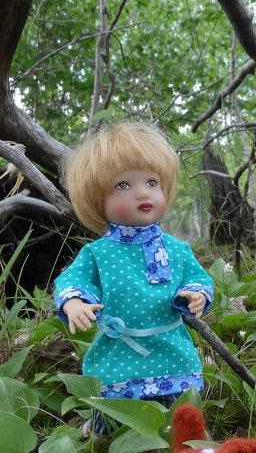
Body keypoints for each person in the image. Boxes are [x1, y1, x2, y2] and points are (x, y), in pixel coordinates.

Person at [54, 122, 213, 416]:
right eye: (123, 185)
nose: (142, 193)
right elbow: (72, 279)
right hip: (119, 352)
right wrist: (75, 302)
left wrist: (196, 293)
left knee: (181, 412)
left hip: (172, 349)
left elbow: (197, 277)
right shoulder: (98, 252)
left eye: (152, 183)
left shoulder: (177, 249)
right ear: (96, 199)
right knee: (117, 411)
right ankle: (112, 432)